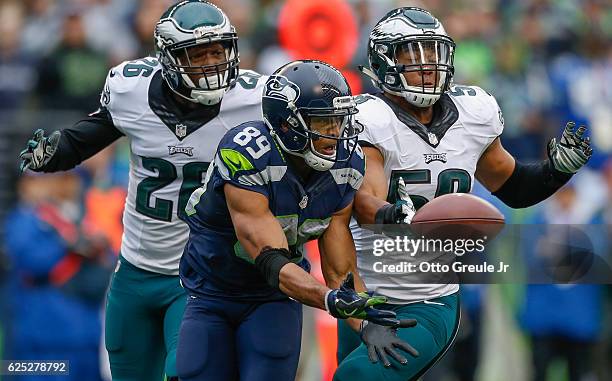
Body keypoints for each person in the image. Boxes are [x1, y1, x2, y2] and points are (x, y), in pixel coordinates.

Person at [333, 7, 593, 381]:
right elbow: (364, 202)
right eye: (412, 56)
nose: (427, 67)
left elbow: (513, 186)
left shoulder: (474, 112)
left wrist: (556, 171)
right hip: (363, 294)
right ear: (383, 62)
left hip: (427, 298)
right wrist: (395, 215)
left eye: (433, 55)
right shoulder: (369, 118)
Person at [18, 2, 270, 380]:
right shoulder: (130, 91)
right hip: (134, 270)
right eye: (197, 54)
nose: (211, 64)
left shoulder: (253, 101)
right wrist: (55, 153)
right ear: (169, 59)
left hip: (201, 273)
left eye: (218, 51)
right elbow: (93, 133)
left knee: (187, 371)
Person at [177, 60, 410, 381]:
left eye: (339, 122)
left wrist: (366, 320)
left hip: (273, 299)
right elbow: (271, 259)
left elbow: (340, 271)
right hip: (211, 291)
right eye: (323, 122)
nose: (335, 135)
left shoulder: (346, 164)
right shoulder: (247, 152)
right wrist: (329, 301)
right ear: (286, 123)